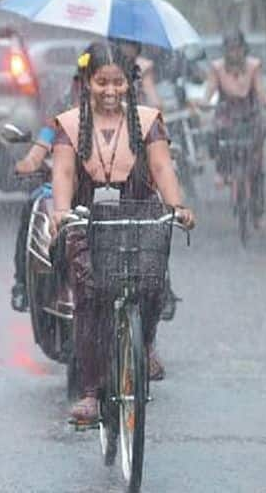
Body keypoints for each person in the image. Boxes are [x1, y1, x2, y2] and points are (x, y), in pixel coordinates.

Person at [50, 42, 195, 422]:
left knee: (151, 287)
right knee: (90, 299)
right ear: (86, 82)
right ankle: (92, 392)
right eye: (101, 82)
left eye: (117, 82)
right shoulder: (68, 125)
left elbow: (163, 168)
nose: (110, 91)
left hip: (138, 219)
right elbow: (63, 173)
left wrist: (178, 206)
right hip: (87, 225)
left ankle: (143, 345)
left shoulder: (148, 122)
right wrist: (61, 212)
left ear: (128, 83)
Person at [199, 29, 266, 228]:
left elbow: (260, 91)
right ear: (225, 51)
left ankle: (258, 213)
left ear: (244, 49)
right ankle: (222, 170)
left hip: (249, 116)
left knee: (257, 168)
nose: (234, 53)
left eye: (238, 49)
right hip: (226, 115)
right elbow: (209, 91)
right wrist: (204, 102)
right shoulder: (216, 68)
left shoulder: (253, 66)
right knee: (213, 134)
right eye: (230, 49)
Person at [10, 125, 55, 311]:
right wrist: (25, 165)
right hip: (60, 193)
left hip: (102, 192)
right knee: (33, 208)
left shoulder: (122, 119)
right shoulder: (59, 119)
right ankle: (23, 283)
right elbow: (35, 157)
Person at [113, 38, 162, 109]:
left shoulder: (143, 66)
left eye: (131, 44)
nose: (127, 48)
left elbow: (153, 97)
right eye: (125, 44)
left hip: (139, 110)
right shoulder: (112, 68)